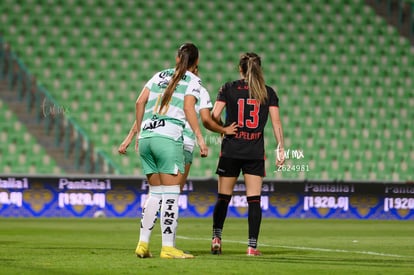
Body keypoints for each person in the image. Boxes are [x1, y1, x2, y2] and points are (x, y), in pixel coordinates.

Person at [132, 43, 206, 259]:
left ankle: (142, 244)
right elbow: (188, 108)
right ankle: (168, 247)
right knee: (171, 194)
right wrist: (200, 138)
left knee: (155, 193)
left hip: (146, 137)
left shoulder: (158, 75)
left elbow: (139, 102)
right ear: (197, 62)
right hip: (168, 137)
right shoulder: (193, 80)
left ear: (177, 58)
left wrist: (139, 133)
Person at [210, 52, 285, 256]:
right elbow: (276, 123)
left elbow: (214, 116)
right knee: (254, 200)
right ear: (259, 69)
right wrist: (280, 148)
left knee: (223, 197)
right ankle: (252, 246)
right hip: (254, 152)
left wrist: (224, 130)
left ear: (240, 69)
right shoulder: (268, 92)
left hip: (231, 149)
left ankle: (217, 238)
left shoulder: (228, 88)